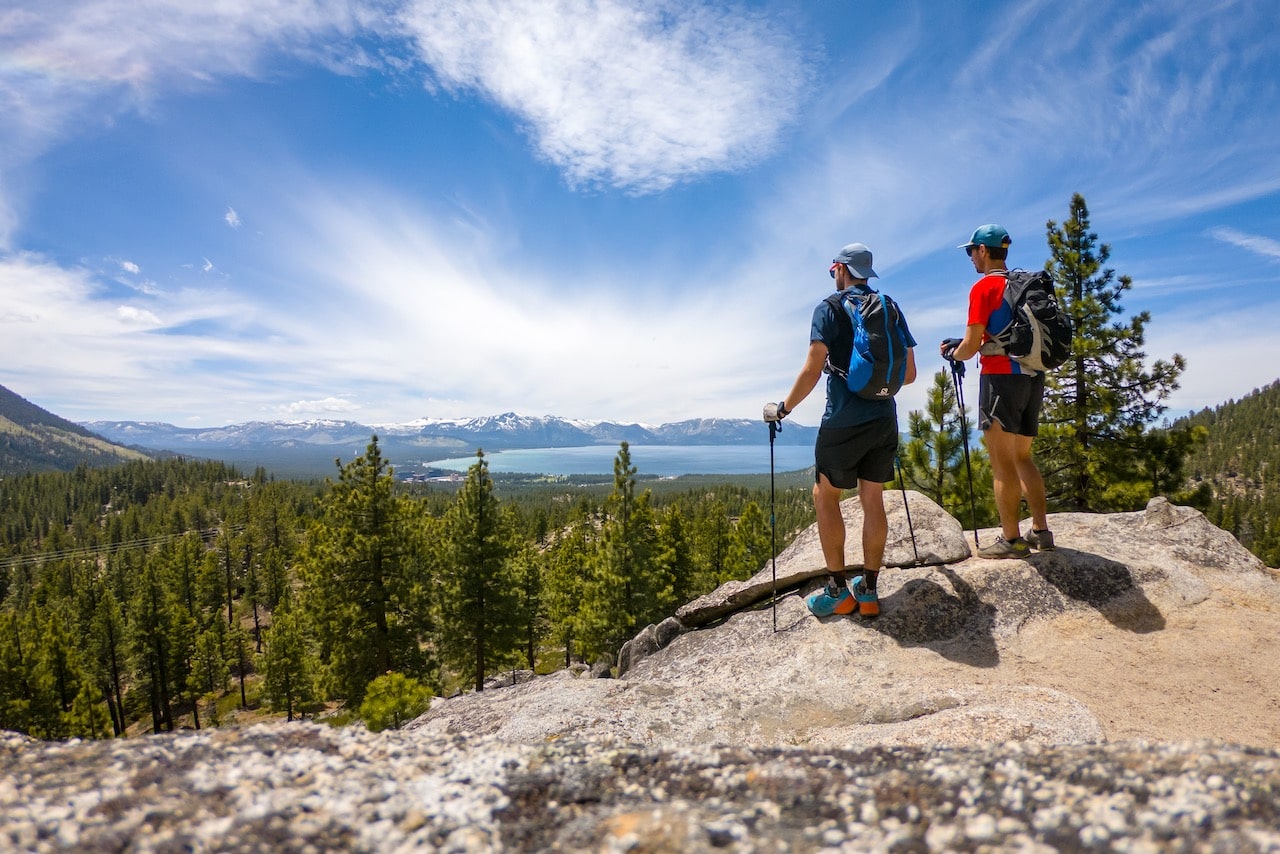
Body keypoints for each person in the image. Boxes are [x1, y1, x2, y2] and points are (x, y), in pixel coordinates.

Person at [764, 243, 917, 618]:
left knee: (825, 494)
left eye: (834, 269)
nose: (833, 275)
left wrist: (783, 408)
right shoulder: (889, 307)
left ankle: (837, 591)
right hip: (884, 418)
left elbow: (813, 367)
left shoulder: (829, 309)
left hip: (844, 419)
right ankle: (868, 591)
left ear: (841, 270)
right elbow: (910, 373)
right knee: (872, 498)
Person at [940, 223, 1054, 558]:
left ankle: (1011, 540)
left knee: (1002, 463)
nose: (970, 257)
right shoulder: (1020, 285)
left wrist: (953, 352)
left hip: (1000, 379)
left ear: (984, 250)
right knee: (1022, 457)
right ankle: (1041, 532)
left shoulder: (984, 288)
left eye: (970, 251)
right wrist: (966, 344)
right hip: (1031, 375)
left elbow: (973, 345)